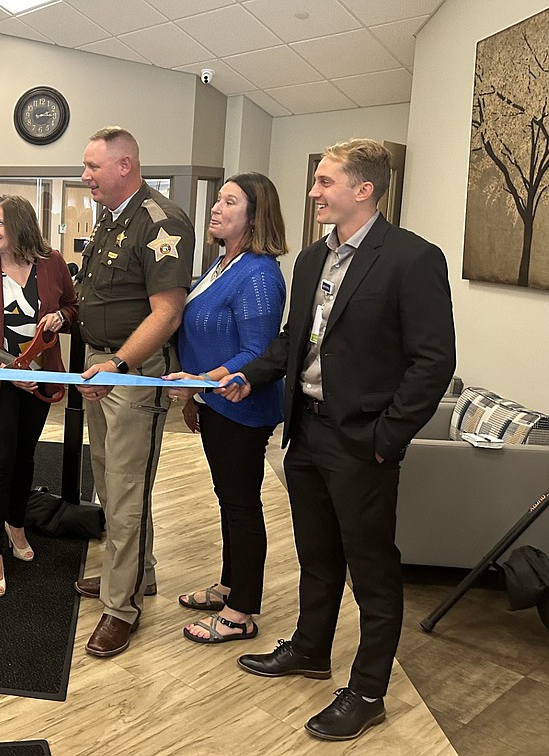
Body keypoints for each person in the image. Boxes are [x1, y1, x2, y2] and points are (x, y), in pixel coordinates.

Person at [219, 139, 456, 741]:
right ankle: (310, 649)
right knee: (316, 556)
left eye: (324, 182)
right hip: (307, 434)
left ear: (364, 190)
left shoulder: (411, 259)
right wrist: (247, 374)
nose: (313, 192)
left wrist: (386, 439)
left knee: (372, 570)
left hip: (362, 442)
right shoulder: (308, 262)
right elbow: (292, 344)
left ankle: (369, 690)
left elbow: (432, 363)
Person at [74, 127, 195, 657]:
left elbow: (168, 312)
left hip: (130, 371)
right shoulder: (112, 219)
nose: (85, 177)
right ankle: (133, 576)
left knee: (126, 490)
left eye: (92, 167)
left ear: (125, 166)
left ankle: (121, 608)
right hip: (100, 365)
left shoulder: (160, 222)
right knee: (107, 479)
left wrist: (119, 364)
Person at [162, 173, 287, 644]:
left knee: (241, 506)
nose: (216, 208)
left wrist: (200, 383)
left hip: (243, 408)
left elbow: (257, 352)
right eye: (217, 200)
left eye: (229, 202)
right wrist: (198, 394)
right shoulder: (222, 264)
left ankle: (240, 613)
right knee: (228, 501)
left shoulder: (259, 273)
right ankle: (230, 585)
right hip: (216, 403)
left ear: (255, 215)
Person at [0, 195, 78, 598]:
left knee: (26, 457)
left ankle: (16, 525)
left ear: (21, 226)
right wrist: (9, 375)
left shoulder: (52, 262)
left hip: (41, 380)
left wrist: (61, 316)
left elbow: (71, 307)